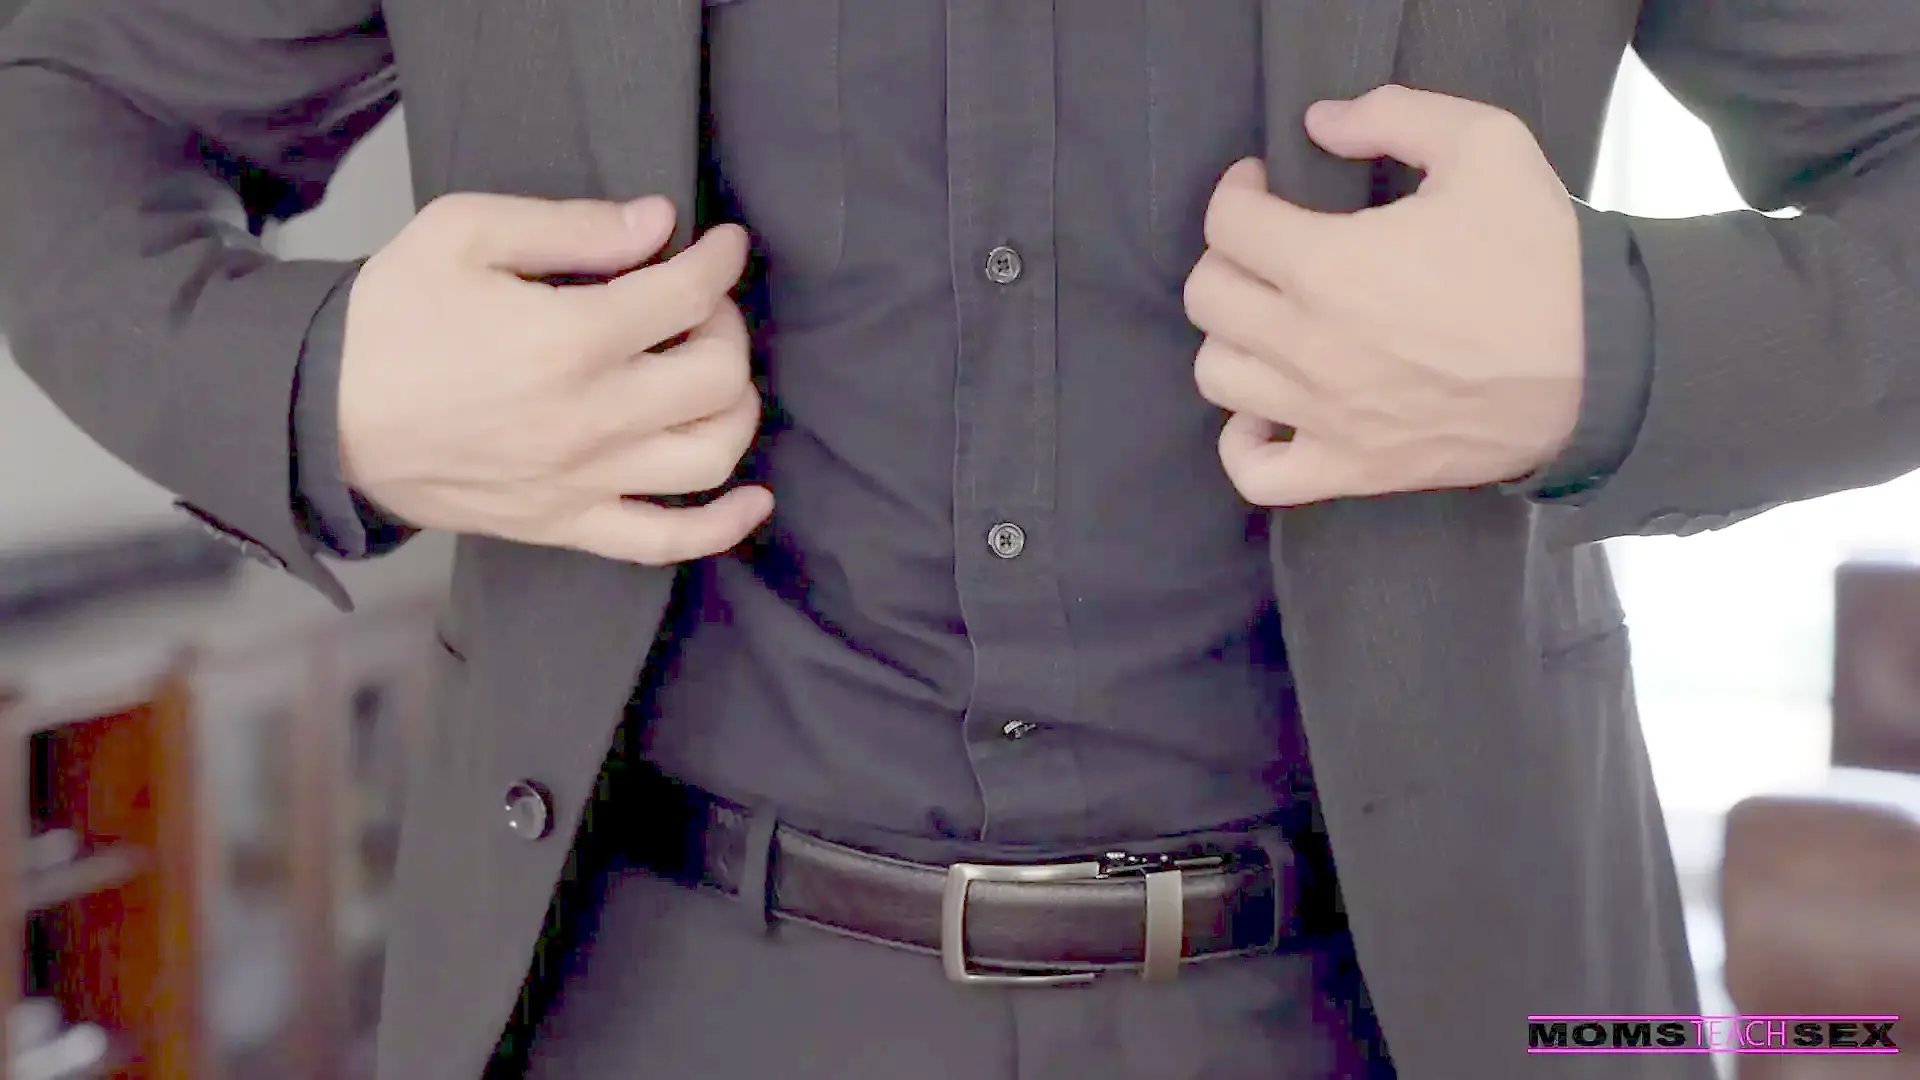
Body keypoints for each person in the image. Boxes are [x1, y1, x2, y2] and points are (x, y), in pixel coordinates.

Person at [3, 0, 1918, 1076]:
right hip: (649, 996)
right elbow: (60, 101)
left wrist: (1615, 347)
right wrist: (322, 381)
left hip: (1415, 995)